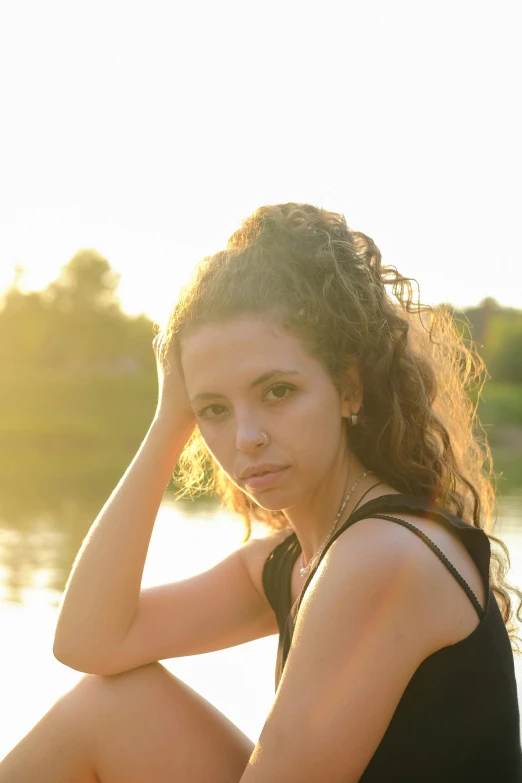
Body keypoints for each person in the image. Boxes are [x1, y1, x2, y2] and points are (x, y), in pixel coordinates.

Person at [1, 203, 521, 782]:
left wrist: (196, 403)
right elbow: (90, 643)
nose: (246, 438)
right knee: (107, 706)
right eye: (215, 410)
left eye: (277, 391)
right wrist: (169, 420)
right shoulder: (298, 558)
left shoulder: (382, 558)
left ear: (349, 388)